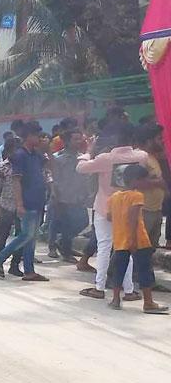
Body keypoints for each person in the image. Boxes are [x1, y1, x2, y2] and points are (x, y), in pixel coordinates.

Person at [75, 123, 147, 299]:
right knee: (126, 248)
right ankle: (128, 290)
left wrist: (88, 152)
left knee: (104, 246)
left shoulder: (105, 158)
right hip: (129, 209)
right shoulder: (141, 156)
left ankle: (99, 288)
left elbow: (80, 169)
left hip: (105, 207)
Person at [0, 122, 49, 282]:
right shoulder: (20, 156)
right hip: (27, 201)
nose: (40, 138)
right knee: (26, 235)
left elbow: (47, 169)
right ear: (29, 136)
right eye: (38, 135)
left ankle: (29, 271)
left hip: (38, 201)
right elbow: (16, 181)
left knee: (31, 238)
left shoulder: (37, 155)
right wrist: (20, 204)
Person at [107, 164, 168, 314]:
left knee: (119, 269)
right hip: (138, 240)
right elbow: (133, 219)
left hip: (120, 240)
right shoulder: (137, 196)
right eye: (144, 179)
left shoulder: (114, 197)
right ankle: (148, 302)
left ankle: (115, 299)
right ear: (135, 180)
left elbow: (109, 217)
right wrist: (133, 240)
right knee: (144, 270)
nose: (146, 182)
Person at [49, 127, 92, 262]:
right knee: (66, 223)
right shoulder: (59, 158)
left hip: (78, 195)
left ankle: (62, 242)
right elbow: (52, 176)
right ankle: (66, 251)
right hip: (63, 196)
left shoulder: (82, 157)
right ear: (67, 141)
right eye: (75, 139)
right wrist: (54, 194)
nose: (79, 141)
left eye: (81, 138)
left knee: (83, 221)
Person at [0, 141, 25, 275]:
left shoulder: (24, 166)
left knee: (20, 236)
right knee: (2, 235)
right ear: (8, 151)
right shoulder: (2, 167)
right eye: (13, 150)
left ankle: (15, 265)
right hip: (6, 205)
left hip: (21, 206)